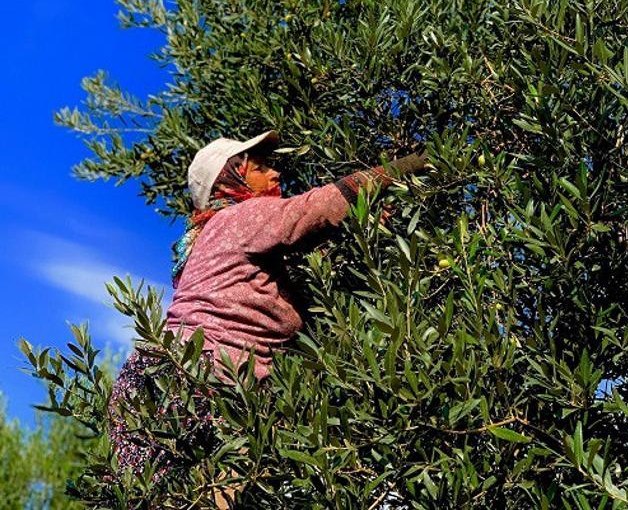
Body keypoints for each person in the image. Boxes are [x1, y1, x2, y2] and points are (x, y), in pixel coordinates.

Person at [108, 130, 428, 497]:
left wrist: (358, 221)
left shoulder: (204, 241)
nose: (275, 174)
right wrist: (400, 168)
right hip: (208, 382)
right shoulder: (239, 218)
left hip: (159, 380)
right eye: (260, 168)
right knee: (219, 493)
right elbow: (314, 210)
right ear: (231, 177)